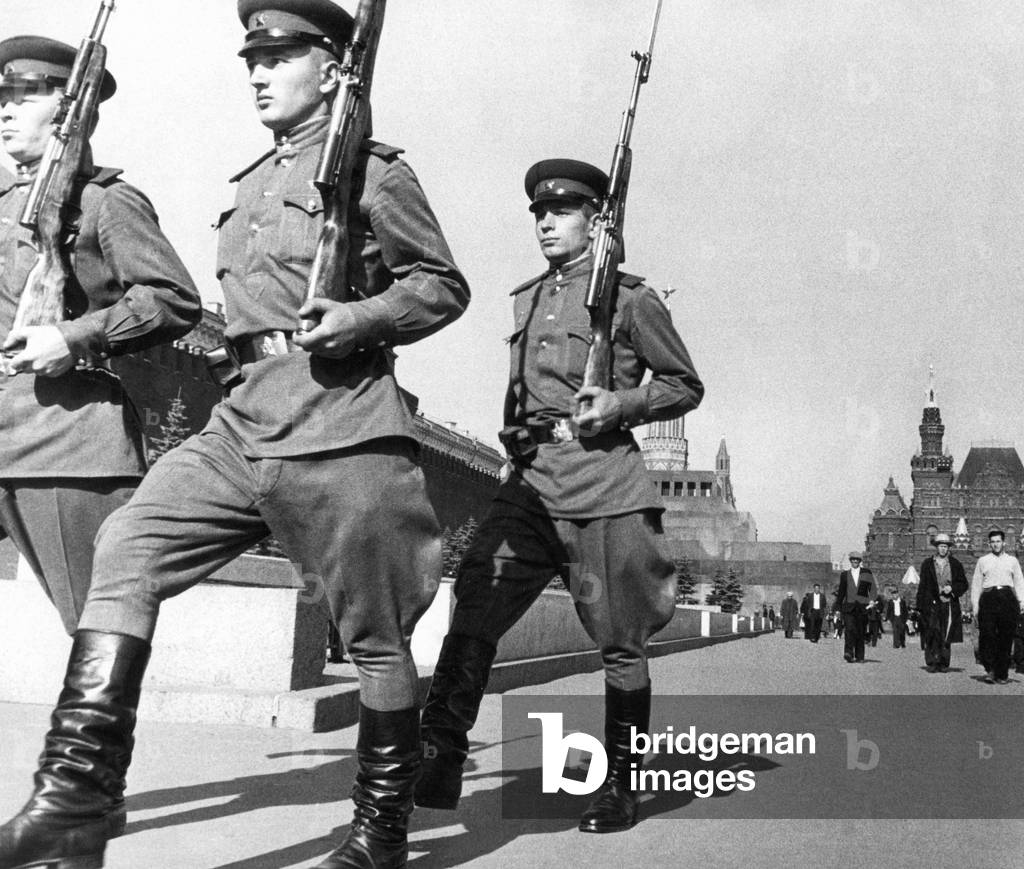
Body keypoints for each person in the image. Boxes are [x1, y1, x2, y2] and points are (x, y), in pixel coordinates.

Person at [0, 3, 469, 868]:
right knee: (129, 545)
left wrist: (365, 314)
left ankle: (379, 831)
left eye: (280, 53)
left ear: (332, 67)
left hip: (342, 430)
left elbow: (441, 284)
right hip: (240, 419)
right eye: (251, 54)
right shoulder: (253, 181)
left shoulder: (375, 172)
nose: (257, 69)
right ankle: (75, 794)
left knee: (374, 639)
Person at [415, 158, 703, 834]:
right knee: (475, 601)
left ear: (598, 218)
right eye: (539, 211)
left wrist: (624, 403)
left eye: (563, 210)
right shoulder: (527, 297)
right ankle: (439, 755)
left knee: (621, 641)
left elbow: (684, 384)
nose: (545, 221)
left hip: (603, 485)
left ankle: (620, 788)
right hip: (531, 482)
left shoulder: (633, 300)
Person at [0, 37, 200, 640]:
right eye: (2, 97)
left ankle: (95, 740)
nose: (6, 109)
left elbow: (173, 299)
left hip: (67, 444)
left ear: (70, 108)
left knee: (96, 628)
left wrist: (75, 335)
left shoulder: (106, 203)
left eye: (25, 96)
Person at [970, 529, 1024, 685]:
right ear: (989, 544)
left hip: (1007, 598)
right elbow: (976, 584)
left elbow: (1019, 582)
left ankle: (1002, 673)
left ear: (1004, 543)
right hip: (988, 598)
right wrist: (975, 606)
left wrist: (1021, 602)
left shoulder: (1012, 561)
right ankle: (990, 670)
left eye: (998, 541)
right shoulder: (983, 561)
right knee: (987, 635)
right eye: (992, 542)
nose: (995, 544)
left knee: (1006, 637)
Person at [915, 533, 967, 672]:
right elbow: (923, 585)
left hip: (949, 603)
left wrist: (952, 589)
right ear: (936, 548)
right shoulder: (927, 564)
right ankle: (932, 662)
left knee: (946, 633)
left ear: (949, 548)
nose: (943, 549)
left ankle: (943, 662)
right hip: (931, 603)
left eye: (945, 546)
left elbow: (963, 584)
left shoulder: (955, 564)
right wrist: (920, 606)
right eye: (940, 546)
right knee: (932, 631)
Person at [835, 551, 876, 663]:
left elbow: (872, 588)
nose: (855, 561)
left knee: (860, 631)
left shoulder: (866, 573)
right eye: (853, 559)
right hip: (849, 607)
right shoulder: (845, 575)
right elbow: (841, 593)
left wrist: (872, 599)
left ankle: (860, 656)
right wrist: (838, 608)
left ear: (860, 561)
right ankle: (848, 652)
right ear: (850, 561)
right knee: (849, 629)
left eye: (857, 560)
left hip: (863, 607)